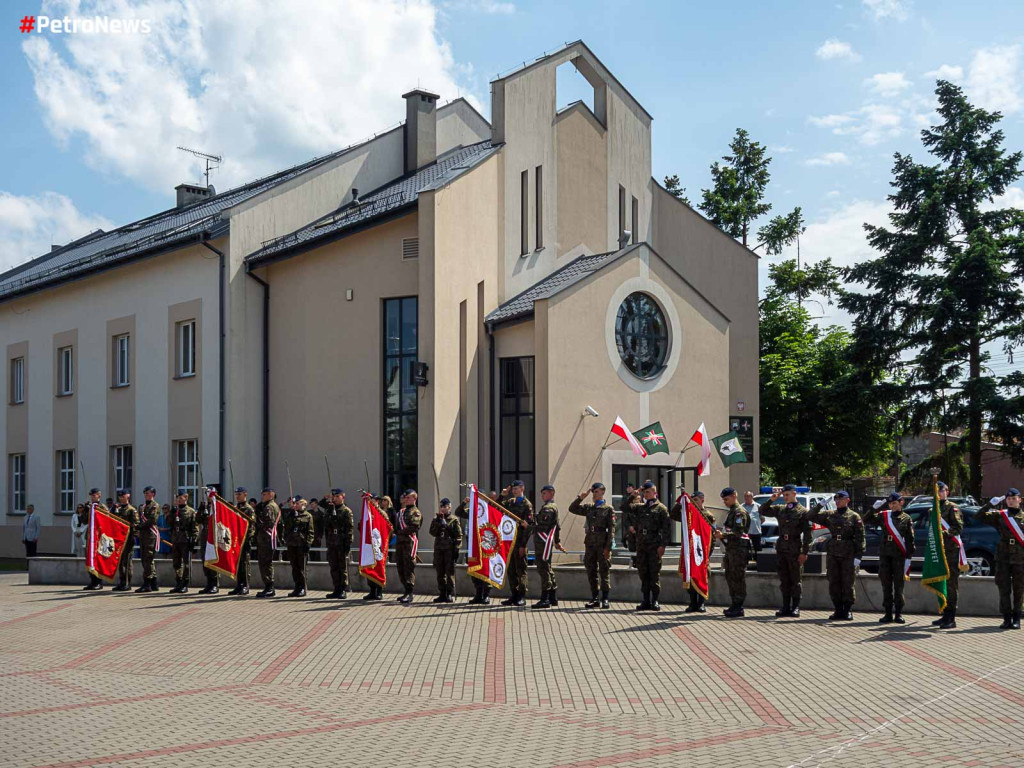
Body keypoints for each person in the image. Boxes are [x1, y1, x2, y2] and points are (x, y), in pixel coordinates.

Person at [809, 491, 865, 621]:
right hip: (833, 552)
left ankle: (847, 610)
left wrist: (859, 556)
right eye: (836, 499)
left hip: (848, 553)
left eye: (840, 499)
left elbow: (860, 537)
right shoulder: (830, 515)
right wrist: (820, 505)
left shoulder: (854, 516)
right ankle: (838, 609)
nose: (837, 501)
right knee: (834, 581)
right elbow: (810, 516)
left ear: (848, 500)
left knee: (848, 582)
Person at [759, 484, 812, 618]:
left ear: (794, 494)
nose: (785, 497)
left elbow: (807, 535)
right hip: (782, 547)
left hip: (795, 547)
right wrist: (772, 499)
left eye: (787, 494)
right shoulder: (781, 509)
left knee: (795, 579)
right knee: (784, 579)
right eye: (784, 495)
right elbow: (762, 510)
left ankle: (795, 607)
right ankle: (785, 606)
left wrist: (804, 552)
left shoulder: (803, 511)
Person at [976, 489, 1024, 630]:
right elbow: (978, 516)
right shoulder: (1000, 516)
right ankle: (1006, 618)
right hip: (1003, 557)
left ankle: (1017, 618)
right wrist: (990, 504)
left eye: (1013, 498)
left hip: (1020, 558)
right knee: (1003, 588)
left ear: (1020, 500)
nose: (1010, 500)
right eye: (1008, 499)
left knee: (1019, 589)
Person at [863, 492, 914, 624]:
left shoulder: (906, 518)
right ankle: (887, 613)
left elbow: (909, 539)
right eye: (890, 504)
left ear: (901, 502)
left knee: (898, 585)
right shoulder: (884, 516)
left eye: (894, 503)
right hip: (885, 554)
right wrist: (874, 508)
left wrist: (909, 556)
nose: (892, 506)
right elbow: (865, 520)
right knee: (886, 584)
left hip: (899, 555)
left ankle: (898, 613)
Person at [569, 482, 615, 609]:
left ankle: (605, 598)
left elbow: (611, 529)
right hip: (590, 543)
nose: (594, 494)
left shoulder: (608, 509)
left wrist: (608, 548)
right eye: (593, 492)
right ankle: (595, 598)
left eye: (596, 492)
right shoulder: (589, 507)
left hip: (602, 543)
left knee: (604, 570)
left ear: (602, 492)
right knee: (591, 571)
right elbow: (572, 508)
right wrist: (581, 497)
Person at [628, 480, 670, 611]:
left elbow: (667, 529)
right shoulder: (641, 507)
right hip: (641, 545)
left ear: (654, 492)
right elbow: (625, 507)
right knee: (643, 573)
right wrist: (634, 495)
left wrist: (663, 545)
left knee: (654, 573)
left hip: (654, 544)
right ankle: (645, 600)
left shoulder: (661, 508)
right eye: (644, 492)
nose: (645, 494)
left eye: (647, 492)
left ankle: (655, 601)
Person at [671, 490, 716, 613]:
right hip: (690, 553)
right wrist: (681, 502)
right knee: (690, 578)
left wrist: (707, 555)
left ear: (702, 500)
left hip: (701, 553)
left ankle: (701, 603)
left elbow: (712, 538)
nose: (694, 503)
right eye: (692, 501)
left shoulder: (707, 515)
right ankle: (693, 603)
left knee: (702, 577)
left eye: (695, 500)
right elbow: (673, 515)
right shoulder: (688, 515)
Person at [934, 481, 967, 629]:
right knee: (942, 583)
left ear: (947, 492)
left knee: (951, 585)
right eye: (937, 491)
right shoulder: (932, 509)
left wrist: (944, 533)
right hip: (939, 552)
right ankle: (944, 615)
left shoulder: (952, 508)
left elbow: (958, 527)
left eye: (942, 491)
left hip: (951, 551)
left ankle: (951, 618)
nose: (939, 493)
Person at [499, 480, 534, 607]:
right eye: (513, 489)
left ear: (522, 489)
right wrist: (502, 495)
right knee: (511, 570)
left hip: (519, 542)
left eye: (517, 489)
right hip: (509, 542)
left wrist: (523, 545)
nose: (514, 491)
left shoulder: (527, 504)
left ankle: (521, 596)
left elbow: (528, 527)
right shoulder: (510, 502)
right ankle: (513, 595)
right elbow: (496, 507)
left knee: (521, 570)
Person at [717, 488, 750, 617]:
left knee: (737, 577)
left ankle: (738, 605)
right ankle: (734, 604)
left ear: (734, 496)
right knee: (730, 576)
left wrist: (723, 535)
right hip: (732, 549)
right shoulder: (732, 512)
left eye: (726, 499)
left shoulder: (739, 512)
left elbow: (738, 532)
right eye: (724, 500)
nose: (725, 502)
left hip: (738, 550)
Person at [532, 484, 565, 609]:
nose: (542, 495)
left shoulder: (548, 508)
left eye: (545, 493)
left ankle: (545, 598)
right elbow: (557, 527)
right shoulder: (552, 507)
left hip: (542, 542)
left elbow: (542, 526)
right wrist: (557, 541)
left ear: (551, 493)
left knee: (543, 569)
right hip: (545, 541)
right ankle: (552, 597)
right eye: (542, 493)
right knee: (548, 568)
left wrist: (528, 525)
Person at [456, 496, 491, 605]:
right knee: (474, 570)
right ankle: (478, 594)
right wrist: (464, 502)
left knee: (485, 570)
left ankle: (486, 595)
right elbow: (458, 512)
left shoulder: (488, 511)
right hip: (473, 547)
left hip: (485, 546)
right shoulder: (471, 511)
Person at [321, 488, 353, 599]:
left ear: (342, 497)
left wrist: (348, 543)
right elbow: (325, 523)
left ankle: (343, 589)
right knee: (333, 566)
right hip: (332, 542)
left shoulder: (346, 511)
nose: (335, 498)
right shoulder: (330, 509)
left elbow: (349, 529)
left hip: (341, 542)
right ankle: (336, 588)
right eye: (333, 496)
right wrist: (329, 510)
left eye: (337, 496)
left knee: (342, 567)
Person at [392, 490, 422, 603]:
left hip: (408, 543)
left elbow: (414, 527)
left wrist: (400, 532)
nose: (406, 499)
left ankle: (410, 593)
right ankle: (405, 590)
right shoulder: (402, 511)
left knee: (408, 567)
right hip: (400, 543)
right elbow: (397, 526)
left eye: (409, 497)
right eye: (406, 497)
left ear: (415, 498)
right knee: (400, 567)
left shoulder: (415, 512)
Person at [430, 497, 463, 603]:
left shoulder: (454, 520)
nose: (443, 509)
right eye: (441, 506)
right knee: (440, 572)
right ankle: (442, 593)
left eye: (445, 507)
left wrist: (456, 549)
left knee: (449, 572)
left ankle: (449, 593)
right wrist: (439, 523)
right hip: (439, 549)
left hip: (449, 549)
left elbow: (458, 536)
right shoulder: (436, 519)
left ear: (449, 507)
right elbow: (432, 532)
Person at [167, 491, 198, 593]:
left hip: (185, 540)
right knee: (176, 563)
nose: (178, 500)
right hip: (176, 540)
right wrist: (172, 511)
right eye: (177, 498)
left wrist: (194, 541)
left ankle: (185, 583)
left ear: (186, 498)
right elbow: (169, 522)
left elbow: (195, 527)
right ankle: (178, 582)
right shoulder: (175, 511)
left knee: (186, 564)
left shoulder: (190, 511)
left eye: (180, 498)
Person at [284, 495, 314, 597]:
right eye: (294, 504)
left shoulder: (307, 516)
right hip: (292, 544)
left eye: (297, 503)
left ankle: (302, 588)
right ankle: (297, 587)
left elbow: (310, 532)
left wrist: (308, 544)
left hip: (301, 544)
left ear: (303, 504)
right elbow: (287, 528)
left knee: (302, 568)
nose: (295, 505)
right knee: (294, 567)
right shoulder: (291, 515)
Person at [254, 487, 282, 598]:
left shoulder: (269, 507)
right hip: (265, 539)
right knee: (265, 563)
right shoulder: (272, 506)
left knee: (265, 563)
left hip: (266, 539)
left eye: (265, 494)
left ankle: (269, 587)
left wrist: (257, 522)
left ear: (271, 495)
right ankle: (268, 586)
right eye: (262, 494)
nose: (262, 496)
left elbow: (268, 523)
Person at [135, 486, 161, 593]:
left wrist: (140, 526)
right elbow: (139, 518)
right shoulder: (142, 507)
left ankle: (147, 583)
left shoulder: (155, 505)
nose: (146, 494)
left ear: (153, 494)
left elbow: (152, 520)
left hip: (150, 534)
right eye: (145, 492)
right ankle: (154, 582)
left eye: (148, 493)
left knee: (148, 558)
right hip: (143, 535)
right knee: (144, 558)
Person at [112, 489, 139, 592]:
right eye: (120, 496)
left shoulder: (132, 510)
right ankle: (122, 581)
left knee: (127, 561)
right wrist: (113, 509)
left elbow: (136, 524)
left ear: (128, 496)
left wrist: (132, 534)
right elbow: (111, 519)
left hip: (128, 539)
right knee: (120, 561)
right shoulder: (117, 508)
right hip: (119, 539)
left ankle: (127, 582)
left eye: (123, 496)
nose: (121, 498)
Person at [229, 487, 254, 595]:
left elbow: (251, 526)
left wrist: (248, 539)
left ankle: (245, 586)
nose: (237, 496)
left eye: (239, 494)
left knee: (245, 564)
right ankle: (239, 585)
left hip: (244, 539)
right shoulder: (235, 508)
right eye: (236, 494)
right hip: (236, 540)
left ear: (245, 494)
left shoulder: (248, 509)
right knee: (237, 564)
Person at [195, 488, 220, 595]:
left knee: (213, 560)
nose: (209, 496)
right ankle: (208, 583)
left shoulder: (218, 506)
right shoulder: (205, 506)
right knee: (205, 560)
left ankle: (215, 584)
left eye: (211, 493)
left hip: (214, 536)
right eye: (207, 494)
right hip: (205, 535)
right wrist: (201, 510)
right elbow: (198, 520)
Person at [81, 489, 108, 590]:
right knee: (89, 559)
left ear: (99, 496)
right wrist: (86, 510)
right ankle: (92, 581)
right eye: (91, 496)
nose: (92, 497)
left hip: (99, 536)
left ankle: (98, 582)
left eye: (94, 495)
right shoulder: (89, 507)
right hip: (90, 537)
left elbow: (106, 521)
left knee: (97, 559)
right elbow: (83, 521)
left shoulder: (102, 507)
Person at [620, 482, 639, 566]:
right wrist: (630, 527)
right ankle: (634, 562)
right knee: (632, 548)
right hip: (632, 532)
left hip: (640, 533)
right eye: (634, 500)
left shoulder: (643, 509)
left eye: (637, 500)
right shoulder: (629, 506)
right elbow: (626, 519)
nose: (636, 501)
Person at [742, 491, 762, 560]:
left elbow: (762, 519)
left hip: (756, 531)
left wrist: (756, 523)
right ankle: (746, 564)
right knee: (745, 549)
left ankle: (758, 563)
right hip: (745, 532)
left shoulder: (758, 506)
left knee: (757, 548)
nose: (746, 498)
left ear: (752, 497)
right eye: (745, 496)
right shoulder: (742, 507)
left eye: (748, 496)